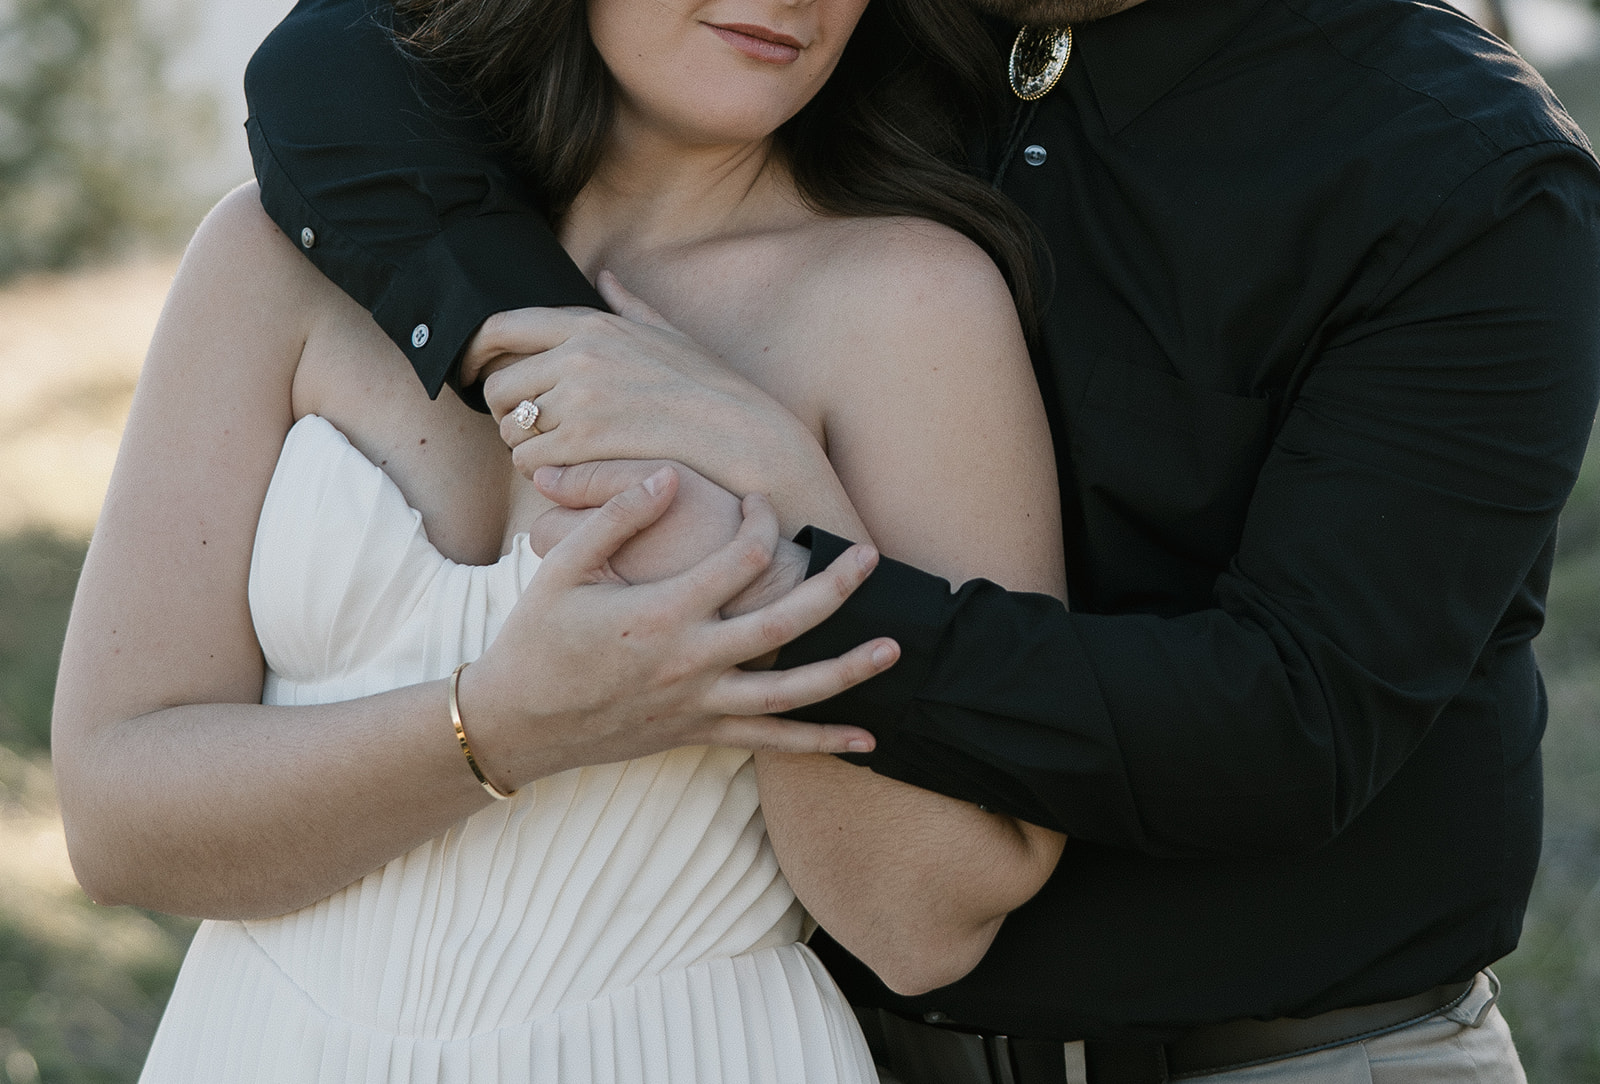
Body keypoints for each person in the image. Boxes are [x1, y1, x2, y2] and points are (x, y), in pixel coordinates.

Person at [239, 0, 1600, 1080]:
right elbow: (336, 62)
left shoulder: (1459, 173)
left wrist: (784, 549)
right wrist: (572, 361)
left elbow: (1293, 726)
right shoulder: (858, 25)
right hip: (827, 1051)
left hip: (1292, 1059)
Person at [50, 0, 1074, 1077]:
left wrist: (775, 489)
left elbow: (925, 926)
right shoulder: (269, 258)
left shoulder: (912, 306)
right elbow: (114, 823)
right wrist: (496, 727)